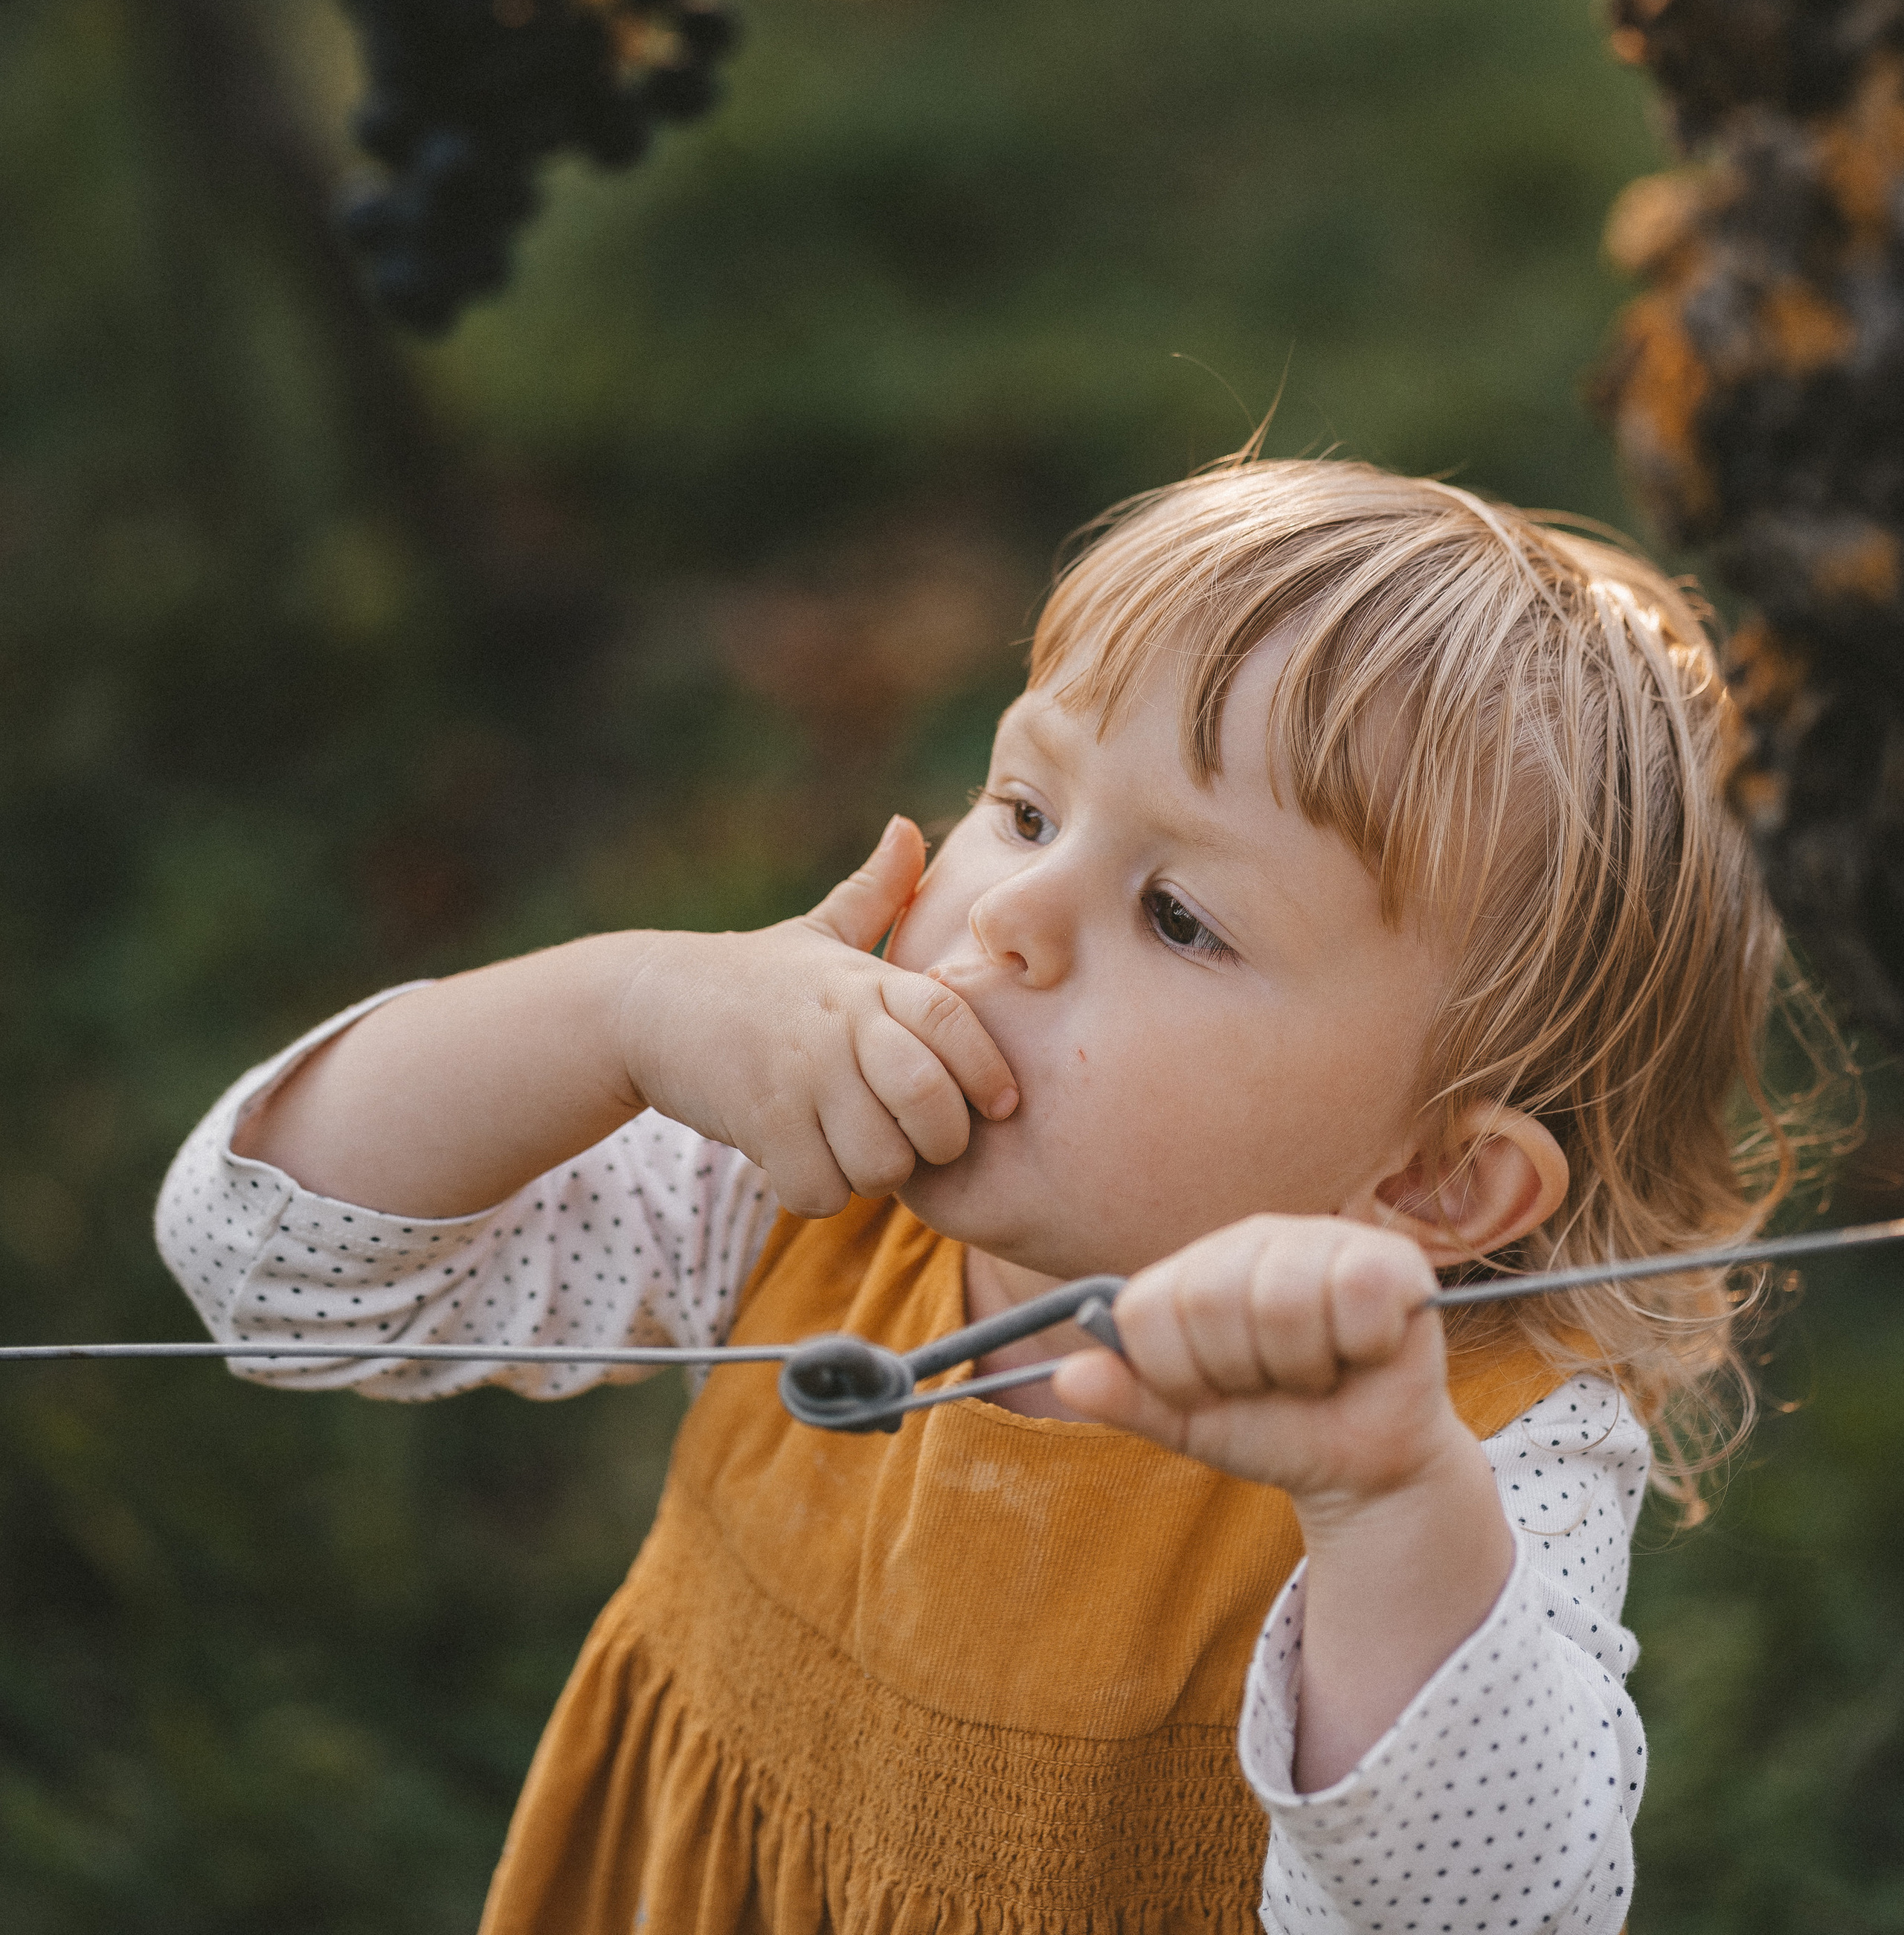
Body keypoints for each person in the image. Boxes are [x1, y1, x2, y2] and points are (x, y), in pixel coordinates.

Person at [155, 453, 1832, 1935]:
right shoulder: (810, 1181)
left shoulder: (1461, 1439)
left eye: (1180, 916)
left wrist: (1384, 1501)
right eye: (1024, 803)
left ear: (1431, 1179)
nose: (1011, 911)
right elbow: (275, 1272)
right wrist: (621, 1007)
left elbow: (1490, 1913)